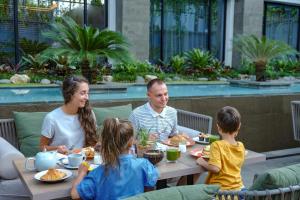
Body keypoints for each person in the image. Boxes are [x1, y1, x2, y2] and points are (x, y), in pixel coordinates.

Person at [70, 118, 159, 200]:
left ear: (103, 143)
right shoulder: (145, 165)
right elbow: (150, 187)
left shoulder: (97, 174)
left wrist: (81, 173)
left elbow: (75, 195)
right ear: (131, 142)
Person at [39, 76, 98, 154]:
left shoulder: (89, 113)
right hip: (60, 163)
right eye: (83, 93)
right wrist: (57, 149)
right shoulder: (52, 118)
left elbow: (94, 145)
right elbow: (42, 147)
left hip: (86, 161)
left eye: (87, 93)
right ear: (70, 94)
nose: (87, 97)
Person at [196, 106, 245, 190]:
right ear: (239, 126)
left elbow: (215, 168)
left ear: (218, 127)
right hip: (239, 191)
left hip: (221, 193)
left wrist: (201, 162)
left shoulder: (217, 145)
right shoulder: (240, 146)